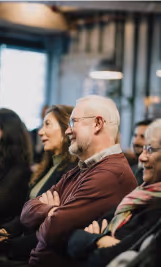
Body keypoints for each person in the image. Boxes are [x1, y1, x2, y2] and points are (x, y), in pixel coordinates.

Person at [20, 95, 137, 267]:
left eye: (74, 122)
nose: (68, 130)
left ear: (97, 124)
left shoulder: (109, 173)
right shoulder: (84, 167)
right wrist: (52, 211)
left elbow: (51, 231)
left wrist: (46, 214)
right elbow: (25, 213)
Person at [0, 105, 78, 267]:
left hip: (30, 248)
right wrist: (6, 230)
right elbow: (26, 212)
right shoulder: (46, 168)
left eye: (47, 124)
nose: (40, 132)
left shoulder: (69, 172)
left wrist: (10, 242)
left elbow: (51, 225)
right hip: (18, 238)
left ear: (66, 130)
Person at [67, 118, 161, 267]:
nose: (142, 158)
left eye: (149, 149)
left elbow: (100, 259)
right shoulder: (139, 194)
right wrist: (98, 240)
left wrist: (95, 239)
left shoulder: (154, 205)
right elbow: (72, 237)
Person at [131, 119, 152, 185]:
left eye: (142, 137)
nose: (136, 142)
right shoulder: (130, 170)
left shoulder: (154, 175)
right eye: (135, 136)